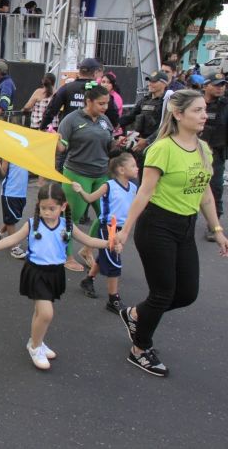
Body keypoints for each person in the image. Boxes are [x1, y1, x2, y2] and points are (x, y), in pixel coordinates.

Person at [115, 90, 228, 377]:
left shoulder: (204, 148)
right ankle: (139, 349)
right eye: (197, 111)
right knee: (163, 292)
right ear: (178, 114)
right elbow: (144, 193)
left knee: (187, 293)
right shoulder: (162, 148)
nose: (204, 115)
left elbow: (205, 195)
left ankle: (135, 315)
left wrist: (218, 229)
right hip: (157, 226)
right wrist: (125, 231)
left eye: (204, 110)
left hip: (186, 226)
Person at [0, 183, 115, 370]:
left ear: (63, 206)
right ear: (38, 206)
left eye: (52, 208)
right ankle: (34, 347)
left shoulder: (67, 225)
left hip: (55, 273)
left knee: (39, 312)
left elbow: (89, 240)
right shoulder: (32, 224)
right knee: (46, 313)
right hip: (36, 273)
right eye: (43, 208)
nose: (47, 212)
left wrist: (108, 243)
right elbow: (12, 239)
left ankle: (36, 340)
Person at [57, 83, 118, 272]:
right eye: (101, 103)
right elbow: (61, 148)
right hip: (77, 174)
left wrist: (118, 144)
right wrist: (55, 141)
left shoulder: (104, 120)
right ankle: (66, 256)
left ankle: (87, 249)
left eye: (107, 103)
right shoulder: (71, 120)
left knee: (106, 217)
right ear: (88, 101)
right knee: (70, 219)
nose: (104, 107)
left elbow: (109, 145)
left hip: (101, 175)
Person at [72, 152, 138, 311]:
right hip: (108, 229)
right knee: (114, 263)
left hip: (122, 230)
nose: (137, 168)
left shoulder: (134, 187)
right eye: (133, 166)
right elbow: (89, 198)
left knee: (104, 258)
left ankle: (88, 280)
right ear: (121, 170)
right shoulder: (108, 186)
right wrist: (80, 190)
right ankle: (113, 300)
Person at [199, 72, 228, 240]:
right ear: (205, 86)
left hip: (215, 154)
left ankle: (213, 225)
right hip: (192, 151)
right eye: (216, 84)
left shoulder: (225, 105)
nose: (220, 87)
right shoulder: (195, 103)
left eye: (222, 84)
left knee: (215, 188)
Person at [0, 157, 29, 259]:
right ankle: (14, 247)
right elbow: (3, 172)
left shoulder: (26, 152)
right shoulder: (8, 153)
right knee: (11, 219)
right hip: (10, 192)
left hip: (21, 192)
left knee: (14, 217)